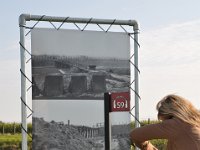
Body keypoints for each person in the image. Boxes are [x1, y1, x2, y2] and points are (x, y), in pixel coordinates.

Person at [130, 94, 200, 150]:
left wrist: (147, 147)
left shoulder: (176, 125)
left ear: (167, 114)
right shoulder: (194, 123)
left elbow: (135, 134)